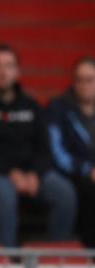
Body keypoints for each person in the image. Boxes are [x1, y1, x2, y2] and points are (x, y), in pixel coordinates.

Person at [0, 44, 77, 248]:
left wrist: (33, 174)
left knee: (65, 193)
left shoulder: (31, 106)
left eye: (9, 66)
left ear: (17, 71)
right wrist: (10, 173)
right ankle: (8, 266)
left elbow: (44, 149)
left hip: (28, 174)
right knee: (4, 193)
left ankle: (54, 257)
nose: (3, 72)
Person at [47, 57, 95, 248]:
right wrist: (86, 169)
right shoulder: (58, 109)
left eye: (89, 79)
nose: (83, 85)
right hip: (71, 173)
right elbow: (57, 152)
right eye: (79, 79)